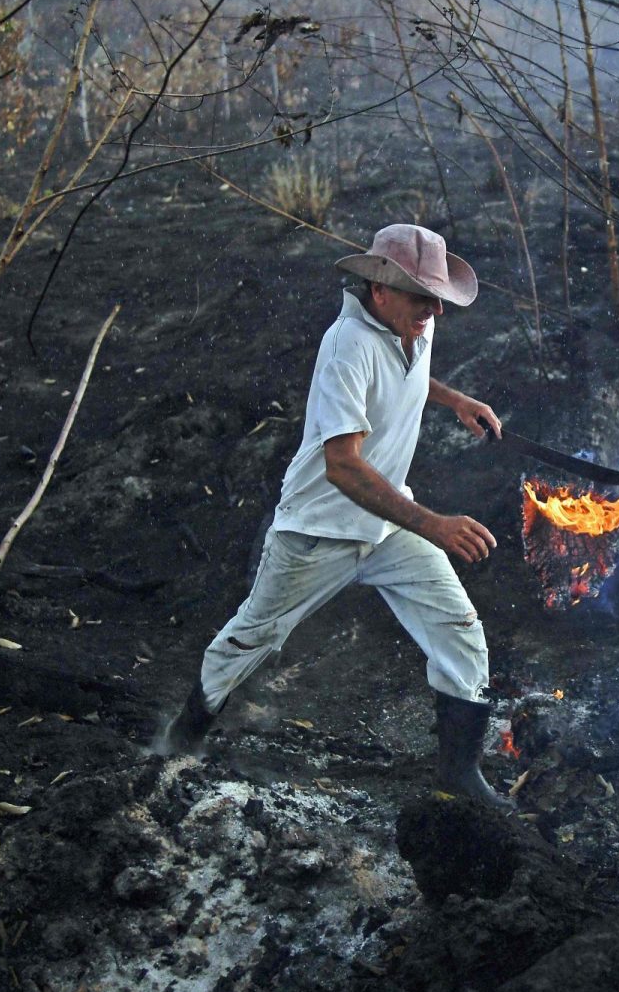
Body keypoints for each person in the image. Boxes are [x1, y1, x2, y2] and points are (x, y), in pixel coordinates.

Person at [164, 223, 512, 810]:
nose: (434, 312)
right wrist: (432, 524)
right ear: (380, 291)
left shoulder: (413, 326)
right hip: (318, 531)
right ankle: (180, 741)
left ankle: (460, 776)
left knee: (459, 630)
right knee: (252, 637)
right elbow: (343, 468)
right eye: (421, 297)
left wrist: (455, 401)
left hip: (386, 524)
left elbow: (409, 369)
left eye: (437, 298)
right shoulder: (345, 345)